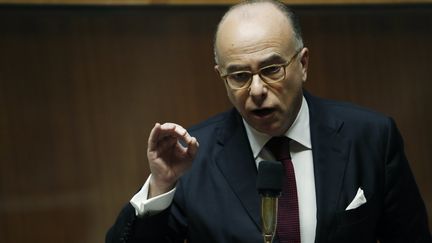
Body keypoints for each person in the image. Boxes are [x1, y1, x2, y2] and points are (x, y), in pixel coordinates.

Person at [106, 1, 431, 242]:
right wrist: (161, 185)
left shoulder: (371, 137)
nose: (257, 90)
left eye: (272, 70)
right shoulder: (192, 158)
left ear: (302, 64)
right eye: (239, 76)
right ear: (222, 78)